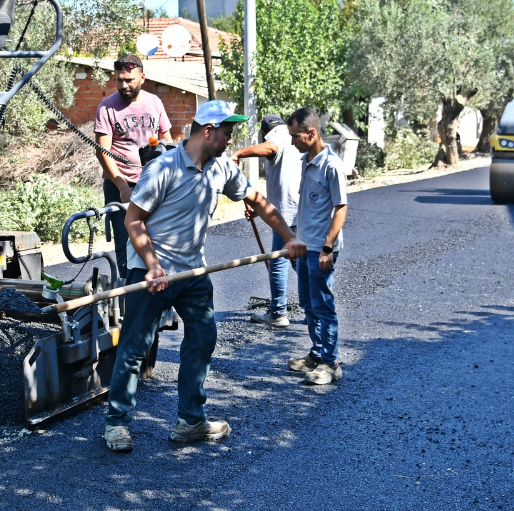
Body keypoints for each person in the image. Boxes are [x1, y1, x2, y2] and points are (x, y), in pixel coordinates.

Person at [104, 101, 306, 453]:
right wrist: (152, 264)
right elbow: (132, 220)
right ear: (209, 132)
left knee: (202, 340)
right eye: (227, 134)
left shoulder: (221, 168)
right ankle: (117, 423)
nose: (231, 140)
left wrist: (290, 237)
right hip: (152, 272)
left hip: (194, 272)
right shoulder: (163, 169)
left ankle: (190, 421)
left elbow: (257, 200)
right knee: (135, 347)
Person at [285, 107, 349, 386]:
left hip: (322, 249)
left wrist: (327, 248)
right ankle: (317, 353)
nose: (292, 142)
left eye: (295, 136)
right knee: (308, 305)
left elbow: (341, 208)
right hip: (304, 246)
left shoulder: (331, 166)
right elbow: (305, 206)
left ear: (312, 133)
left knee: (323, 305)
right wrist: (295, 239)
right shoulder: (305, 161)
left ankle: (331, 362)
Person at [94, 54, 173, 275]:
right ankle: (130, 297)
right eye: (119, 80)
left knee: (157, 236)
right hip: (120, 183)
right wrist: (123, 188)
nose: (124, 85)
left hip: (152, 181)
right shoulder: (107, 107)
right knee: (126, 242)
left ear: (142, 78)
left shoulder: (154, 103)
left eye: (130, 80)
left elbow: (167, 142)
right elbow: (102, 152)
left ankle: (160, 286)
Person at [230, 112, 303, 328]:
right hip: (300, 208)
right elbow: (282, 181)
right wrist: (260, 210)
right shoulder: (290, 135)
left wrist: (239, 153)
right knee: (299, 259)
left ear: (264, 132)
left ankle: (278, 312)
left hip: (286, 214)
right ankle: (316, 307)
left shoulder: (275, 136)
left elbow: (271, 148)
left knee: (280, 260)